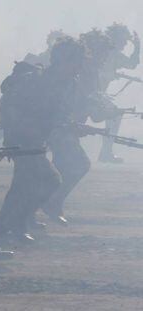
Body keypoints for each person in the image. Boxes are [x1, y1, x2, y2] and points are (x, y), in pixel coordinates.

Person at [0, 37, 89, 254]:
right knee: (50, 180)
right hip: (23, 143)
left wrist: (70, 127)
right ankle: (0, 232)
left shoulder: (67, 84)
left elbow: (58, 116)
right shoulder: (36, 81)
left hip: (37, 143)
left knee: (20, 191)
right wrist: (13, 137)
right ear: (62, 61)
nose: (79, 67)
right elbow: (9, 106)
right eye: (76, 62)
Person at [41, 29, 122, 225]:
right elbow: (82, 104)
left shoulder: (88, 72)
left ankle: (40, 208)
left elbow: (91, 107)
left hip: (69, 127)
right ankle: (50, 204)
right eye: (102, 53)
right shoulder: (80, 71)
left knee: (58, 170)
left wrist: (107, 112)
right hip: (59, 127)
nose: (104, 58)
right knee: (77, 165)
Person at [98, 23, 140, 163]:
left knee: (114, 115)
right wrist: (107, 75)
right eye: (123, 40)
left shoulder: (114, 54)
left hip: (98, 94)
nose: (124, 44)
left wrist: (137, 46)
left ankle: (106, 152)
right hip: (90, 94)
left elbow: (131, 64)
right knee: (114, 115)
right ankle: (106, 153)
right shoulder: (102, 52)